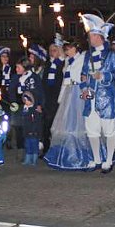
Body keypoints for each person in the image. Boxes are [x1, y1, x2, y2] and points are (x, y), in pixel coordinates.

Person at [44, 40, 97, 170]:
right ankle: (69, 153)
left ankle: (87, 154)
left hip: (80, 91)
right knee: (68, 123)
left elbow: (90, 74)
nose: (67, 51)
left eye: (69, 49)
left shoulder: (83, 58)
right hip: (69, 92)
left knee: (81, 122)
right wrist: (61, 97)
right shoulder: (68, 61)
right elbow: (64, 80)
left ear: (75, 48)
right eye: (66, 49)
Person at [79, 14, 115, 172]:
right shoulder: (88, 55)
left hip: (106, 99)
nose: (89, 39)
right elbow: (83, 74)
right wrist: (83, 88)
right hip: (90, 99)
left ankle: (108, 161)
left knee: (109, 130)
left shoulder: (112, 55)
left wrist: (103, 76)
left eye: (91, 36)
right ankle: (96, 159)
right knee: (92, 130)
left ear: (99, 37)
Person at [8, 57, 44, 157]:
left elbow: (40, 92)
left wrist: (39, 104)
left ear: (25, 68)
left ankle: (33, 150)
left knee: (31, 127)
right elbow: (11, 90)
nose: (16, 69)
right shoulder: (15, 77)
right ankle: (20, 148)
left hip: (31, 105)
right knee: (18, 127)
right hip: (18, 105)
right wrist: (13, 102)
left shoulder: (34, 77)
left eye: (19, 67)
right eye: (16, 67)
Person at [42, 39, 64, 154]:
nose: (52, 52)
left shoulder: (62, 64)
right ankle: (46, 148)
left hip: (59, 98)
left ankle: (57, 149)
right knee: (47, 124)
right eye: (50, 50)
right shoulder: (47, 64)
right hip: (48, 99)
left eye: (54, 50)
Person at [20, 91, 43, 166]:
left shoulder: (35, 110)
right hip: (26, 132)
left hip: (34, 133)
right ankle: (28, 159)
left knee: (34, 147)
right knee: (28, 146)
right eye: (24, 100)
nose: (26, 102)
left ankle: (34, 160)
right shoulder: (24, 109)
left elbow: (37, 122)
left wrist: (34, 131)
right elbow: (23, 120)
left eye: (27, 100)